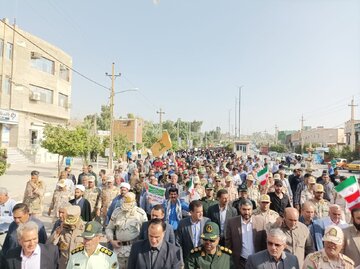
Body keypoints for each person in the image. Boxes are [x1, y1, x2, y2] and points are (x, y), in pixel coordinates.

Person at [105, 192, 147, 269]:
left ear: (134, 202)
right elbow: (109, 228)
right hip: (118, 250)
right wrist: (111, 240)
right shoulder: (117, 212)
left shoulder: (140, 214)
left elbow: (145, 232)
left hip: (133, 249)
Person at [225, 199, 267, 269]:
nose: (247, 212)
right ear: (239, 209)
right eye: (244, 209)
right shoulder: (232, 223)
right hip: (239, 261)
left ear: (252, 209)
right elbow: (228, 243)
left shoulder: (261, 222)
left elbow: (264, 243)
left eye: (249, 209)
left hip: (257, 261)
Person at [47, 205, 85, 269]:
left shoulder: (85, 230)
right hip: (63, 265)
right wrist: (57, 233)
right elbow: (48, 245)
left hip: (79, 265)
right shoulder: (62, 228)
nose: (70, 224)